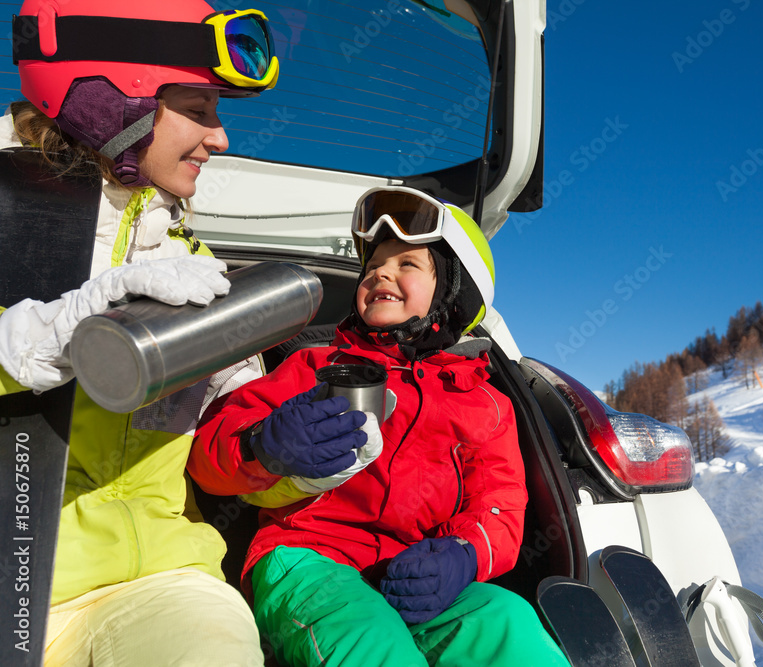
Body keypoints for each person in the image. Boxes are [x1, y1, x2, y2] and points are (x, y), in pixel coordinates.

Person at [0, 1, 279, 664]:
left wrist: (283, 449)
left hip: (161, 581)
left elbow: (226, 447)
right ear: (116, 100)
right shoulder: (8, 217)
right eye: (201, 110)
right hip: (19, 583)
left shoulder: (196, 271)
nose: (221, 139)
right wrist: (70, 326)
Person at [189, 186, 571, 666]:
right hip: (305, 559)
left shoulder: (484, 404)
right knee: (368, 641)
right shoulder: (315, 366)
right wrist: (262, 443)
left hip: (412, 571)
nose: (381, 273)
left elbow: (501, 504)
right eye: (372, 267)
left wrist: (462, 555)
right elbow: (211, 451)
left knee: (507, 620)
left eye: (407, 264)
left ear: (456, 291)